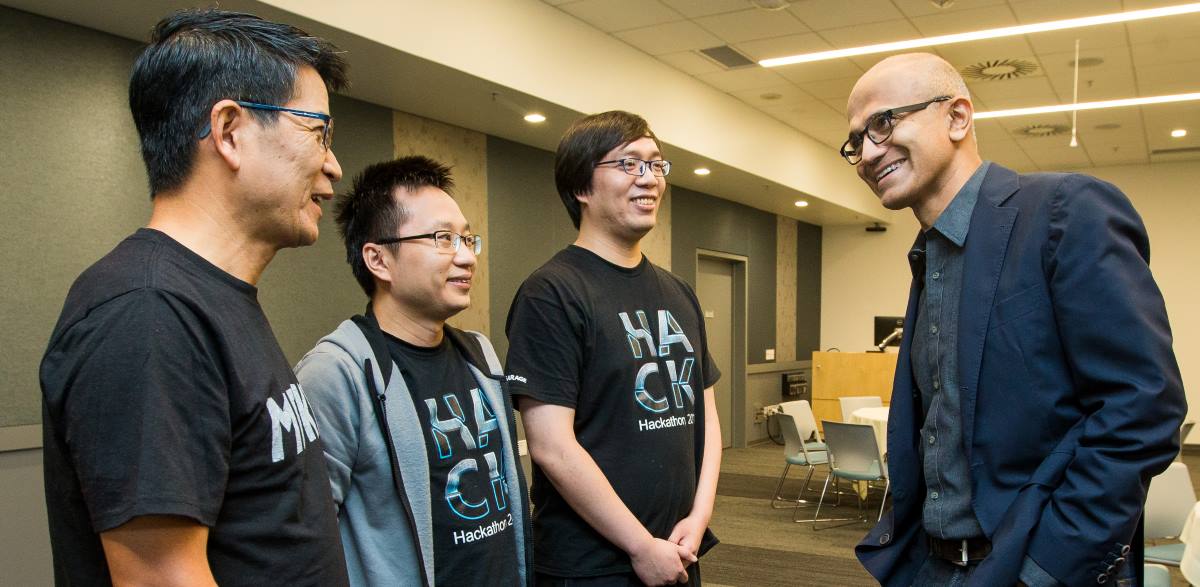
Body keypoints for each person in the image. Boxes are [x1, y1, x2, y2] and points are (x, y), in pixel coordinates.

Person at [843, 53, 1186, 586]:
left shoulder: (1064, 211)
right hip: (933, 565)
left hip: (1033, 565)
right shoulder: (927, 258)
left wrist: (1046, 568)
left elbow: (1142, 407)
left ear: (958, 116)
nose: (867, 152)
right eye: (856, 140)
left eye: (883, 123)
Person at [39, 9, 350, 586]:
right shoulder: (148, 312)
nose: (333, 164)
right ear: (230, 130)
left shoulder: (212, 299)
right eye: (318, 132)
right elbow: (160, 577)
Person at [504, 111, 722, 586]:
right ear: (581, 186)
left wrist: (698, 518)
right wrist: (641, 547)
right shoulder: (552, 293)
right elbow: (552, 447)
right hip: (591, 566)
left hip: (678, 550)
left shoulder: (679, 292)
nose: (649, 179)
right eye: (628, 164)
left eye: (657, 165)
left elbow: (706, 420)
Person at [295, 156, 532, 586]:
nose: (466, 257)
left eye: (467, 239)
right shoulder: (337, 374)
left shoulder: (480, 356)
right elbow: (302, 540)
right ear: (378, 259)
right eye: (443, 238)